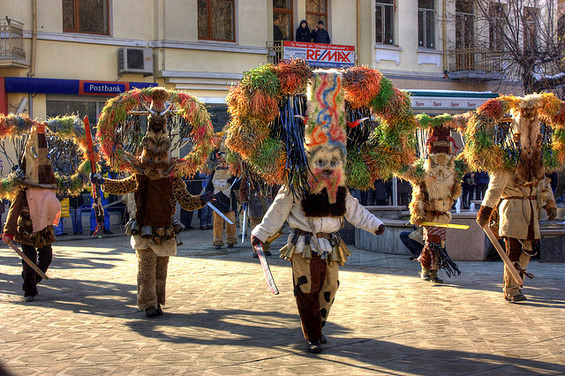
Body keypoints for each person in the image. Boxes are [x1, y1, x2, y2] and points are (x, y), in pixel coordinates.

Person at [250, 71, 385, 354]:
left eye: (332, 158)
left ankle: (319, 327)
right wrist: (261, 233)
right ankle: (312, 334)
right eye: (321, 158)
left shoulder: (340, 186)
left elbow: (354, 210)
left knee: (329, 287)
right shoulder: (298, 181)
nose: (326, 164)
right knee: (306, 288)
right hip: (303, 244)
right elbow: (279, 208)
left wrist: (376, 226)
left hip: (331, 244)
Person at [92, 88, 215, 317]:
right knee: (146, 269)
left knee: (161, 270)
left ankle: (156, 301)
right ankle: (148, 303)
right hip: (144, 227)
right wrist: (102, 182)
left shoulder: (172, 177)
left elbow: (186, 201)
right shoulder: (140, 175)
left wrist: (202, 200)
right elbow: (123, 186)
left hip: (165, 229)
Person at [477, 94, 557, 303]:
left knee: (528, 250)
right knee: (513, 251)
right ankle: (512, 289)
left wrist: (549, 203)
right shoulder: (507, 156)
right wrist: (485, 210)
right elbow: (495, 186)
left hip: (531, 209)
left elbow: (543, 183)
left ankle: (516, 284)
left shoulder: (536, 158)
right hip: (512, 208)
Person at [2, 124, 60, 302]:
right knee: (28, 260)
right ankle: (29, 290)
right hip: (26, 228)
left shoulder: (49, 185)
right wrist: (8, 231)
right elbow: (14, 210)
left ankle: (34, 280)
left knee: (46, 257)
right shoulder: (22, 189)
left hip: (43, 229)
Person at [398, 123, 462, 283]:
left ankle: (429, 270)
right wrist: (418, 213)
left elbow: (454, 192)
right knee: (433, 243)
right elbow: (419, 194)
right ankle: (430, 271)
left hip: (443, 216)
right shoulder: (425, 172)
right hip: (431, 216)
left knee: (438, 244)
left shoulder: (450, 171)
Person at [206, 146, 239, 249]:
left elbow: (237, 184)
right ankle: (217, 240)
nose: (223, 163)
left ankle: (231, 239)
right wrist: (207, 195)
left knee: (231, 221)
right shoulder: (215, 171)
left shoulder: (232, 171)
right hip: (216, 199)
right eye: (221, 161)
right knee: (217, 221)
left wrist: (232, 183)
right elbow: (209, 186)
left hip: (229, 199)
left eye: (225, 161)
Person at [239, 175, 278, 257]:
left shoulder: (269, 173)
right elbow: (243, 190)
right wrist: (244, 201)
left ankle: (266, 248)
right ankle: (256, 250)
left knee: (267, 227)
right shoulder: (248, 175)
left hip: (268, 204)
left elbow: (275, 188)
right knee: (256, 229)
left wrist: (276, 200)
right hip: (254, 204)